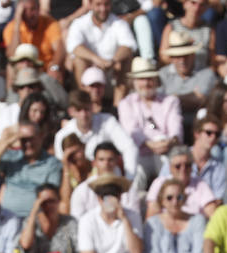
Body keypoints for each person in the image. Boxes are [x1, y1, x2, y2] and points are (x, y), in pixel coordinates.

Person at [0, 118, 62, 220]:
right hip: (7, 219)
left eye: (31, 139)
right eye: (23, 140)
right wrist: (6, 143)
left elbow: (51, 195)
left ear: (40, 137)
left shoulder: (53, 163)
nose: (27, 144)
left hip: (35, 219)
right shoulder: (12, 157)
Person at [118, 57, 182, 185]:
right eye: (142, 79)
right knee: (134, 171)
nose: (146, 83)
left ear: (155, 80)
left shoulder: (170, 101)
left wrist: (166, 142)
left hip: (165, 152)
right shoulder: (126, 103)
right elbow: (131, 131)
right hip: (140, 155)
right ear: (134, 81)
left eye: (149, 79)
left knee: (168, 164)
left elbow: (176, 129)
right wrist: (151, 145)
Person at [64, 0, 136, 94]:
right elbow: (74, 47)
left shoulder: (119, 23)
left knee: (127, 59)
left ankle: (117, 105)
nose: (103, 9)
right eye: (98, 4)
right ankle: (85, 102)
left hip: (111, 71)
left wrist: (113, 61)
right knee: (79, 60)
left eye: (106, 4)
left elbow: (129, 46)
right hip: (89, 71)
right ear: (90, 5)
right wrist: (97, 60)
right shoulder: (79, 23)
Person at [78, 174, 143, 253]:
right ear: (99, 199)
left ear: (120, 197)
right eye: (105, 196)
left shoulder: (133, 216)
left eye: (114, 195)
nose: (109, 200)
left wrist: (124, 219)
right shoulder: (87, 220)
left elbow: (136, 252)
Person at [158, 32, 215, 127]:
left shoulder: (207, 73)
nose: (182, 60)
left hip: (197, 127)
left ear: (193, 55)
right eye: (178, 56)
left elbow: (200, 100)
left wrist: (169, 99)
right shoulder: (162, 74)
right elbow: (156, 103)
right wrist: (190, 97)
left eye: (186, 55)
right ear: (171, 58)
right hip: (167, 126)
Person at [146, 177, 205, 253]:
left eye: (179, 197)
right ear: (162, 200)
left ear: (184, 198)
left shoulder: (197, 221)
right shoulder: (152, 223)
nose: (175, 202)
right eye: (169, 198)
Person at [14, 181, 76, 253]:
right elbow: (25, 245)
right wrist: (33, 213)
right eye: (44, 202)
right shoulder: (31, 222)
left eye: (52, 201)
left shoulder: (70, 222)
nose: (48, 205)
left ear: (58, 201)